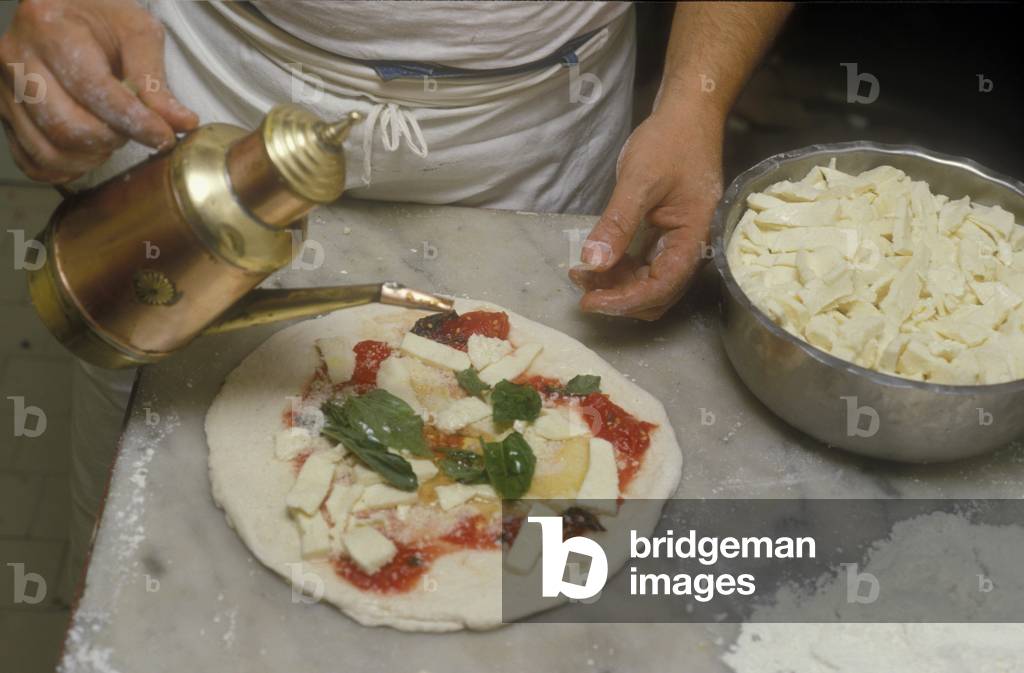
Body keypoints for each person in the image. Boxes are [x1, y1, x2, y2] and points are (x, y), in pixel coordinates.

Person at [0, 0, 790, 595]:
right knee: (147, 568)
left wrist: (697, 96)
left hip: (538, 122)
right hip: (209, 101)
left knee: (532, 600)